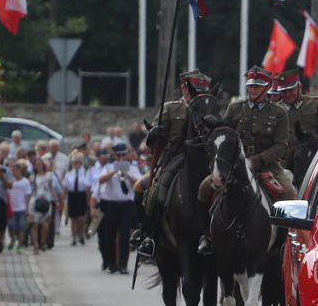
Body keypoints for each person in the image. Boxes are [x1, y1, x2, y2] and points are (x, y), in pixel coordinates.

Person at [195, 66, 294, 255]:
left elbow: (281, 145)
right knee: (204, 187)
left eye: (257, 86)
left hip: (268, 167)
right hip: (236, 166)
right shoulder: (235, 108)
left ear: (267, 87)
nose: (253, 90)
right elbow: (224, 134)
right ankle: (206, 236)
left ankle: (285, 244)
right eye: (250, 86)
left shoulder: (279, 112)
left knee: (289, 192)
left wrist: (259, 159)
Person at [133, 68, 213, 258]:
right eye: (192, 89)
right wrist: (154, 134)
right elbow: (150, 141)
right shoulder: (170, 108)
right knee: (145, 189)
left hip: (204, 161)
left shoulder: (208, 108)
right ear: (184, 88)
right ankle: (148, 234)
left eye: (200, 91)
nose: (195, 94)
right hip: (173, 160)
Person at [275, 68, 318, 188]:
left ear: (299, 86)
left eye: (291, 90)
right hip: (284, 166)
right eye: (284, 91)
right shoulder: (275, 110)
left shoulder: (317, 104)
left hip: (313, 160)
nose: (287, 94)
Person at [98, 142, 140, 273]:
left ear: (127, 154)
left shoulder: (133, 167)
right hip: (112, 204)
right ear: (115, 155)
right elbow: (100, 180)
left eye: (123, 154)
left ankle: (123, 265)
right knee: (110, 234)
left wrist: (127, 174)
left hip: (127, 204)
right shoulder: (109, 166)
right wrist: (114, 171)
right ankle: (112, 264)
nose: (121, 157)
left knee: (125, 235)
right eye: (119, 155)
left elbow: (139, 184)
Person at [28, 158, 60, 255]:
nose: (39, 166)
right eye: (37, 165)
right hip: (35, 202)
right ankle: (35, 244)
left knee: (45, 225)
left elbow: (51, 188)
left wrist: (56, 200)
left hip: (46, 201)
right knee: (35, 224)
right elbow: (30, 191)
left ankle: (43, 241)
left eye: (40, 164)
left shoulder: (48, 175)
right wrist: (27, 205)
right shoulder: (32, 177)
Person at [62, 153, 91, 245]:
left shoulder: (85, 172)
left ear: (81, 163)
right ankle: (74, 237)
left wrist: (88, 200)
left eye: (77, 162)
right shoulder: (69, 174)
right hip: (72, 196)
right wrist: (63, 199)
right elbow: (65, 188)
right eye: (74, 162)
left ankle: (81, 235)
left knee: (81, 218)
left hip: (81, 195)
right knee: (73, 218)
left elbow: (88, 188)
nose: (76, 164)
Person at [6, 161, 32, 252]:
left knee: (21, 228)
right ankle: (13, 239)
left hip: (21, 208)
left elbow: (27, 195)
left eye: (15, 170)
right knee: (11, 226)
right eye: (12, 170)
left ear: (19, 170)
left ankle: (20, 245)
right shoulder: (11, 182)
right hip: (12, 208)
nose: (13, 172)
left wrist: (27, 208)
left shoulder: (25, 182)